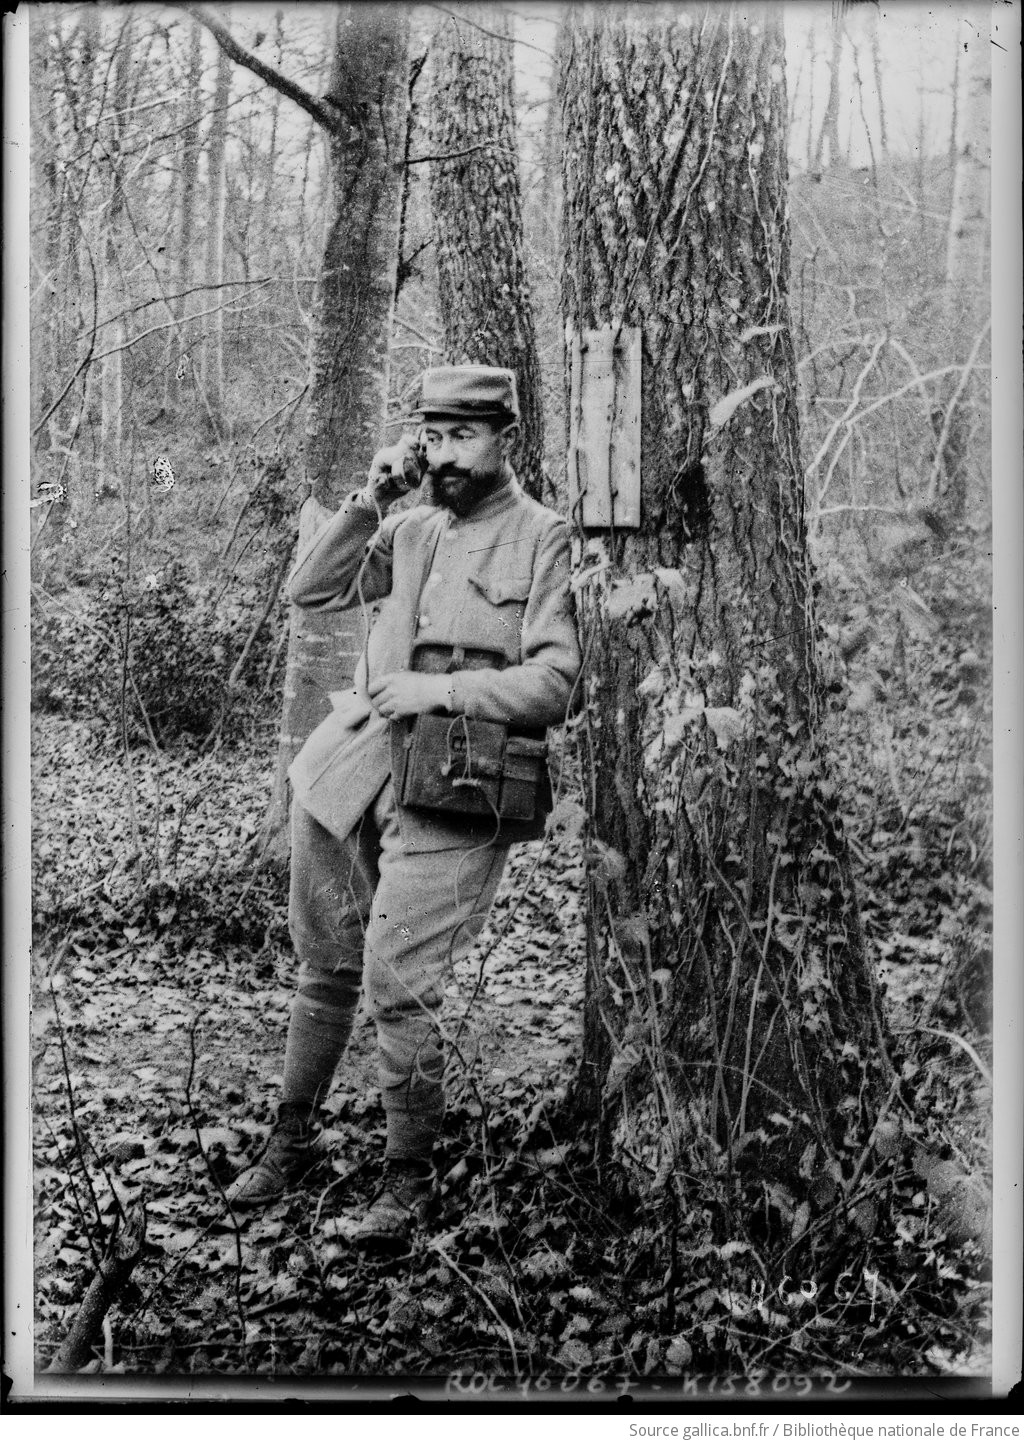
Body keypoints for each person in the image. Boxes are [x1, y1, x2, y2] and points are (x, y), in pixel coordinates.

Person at [229, 365, 582, 1247]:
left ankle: (409, 1175)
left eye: (464, 435)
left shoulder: (545, 538)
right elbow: (309, 590)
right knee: (326, 964)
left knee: (400, 980)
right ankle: (291, 1138)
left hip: (459, 782)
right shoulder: (411, 524)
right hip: (350, 767)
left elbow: (556, 680)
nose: (445, 453)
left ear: (507, 436)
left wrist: (445, 690)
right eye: (432, 435)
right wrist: (371, 495)